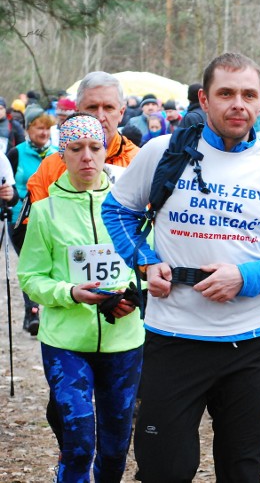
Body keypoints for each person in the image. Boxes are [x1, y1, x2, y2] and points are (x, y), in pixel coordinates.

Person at [102, 52, 260, 482]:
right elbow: (118, 210)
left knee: (241, 472)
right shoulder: (164, 152)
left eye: (248, 94)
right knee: (165, 470)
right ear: (204, 98)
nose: (237, 103)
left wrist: (246, 277)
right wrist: (144, 262)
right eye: (226, 93)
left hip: (249, 346)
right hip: (172, 339)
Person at [17, 113, 144, 482]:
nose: (87, 157)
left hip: (124, 339)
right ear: (63, 154)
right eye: (76, 149)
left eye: (94, 147)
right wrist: (70, 292)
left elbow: (150, 265)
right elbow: (31, 277)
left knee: (116, 448)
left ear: (105, 150)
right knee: (77, 444)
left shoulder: (128, 208)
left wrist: (136, 295)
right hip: (65, 343)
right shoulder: (45, 211)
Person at [27, 71, 139, 203]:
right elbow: (33, 221)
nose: (100, 117)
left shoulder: (138, 162)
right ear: (78, 111)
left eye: (109, 107)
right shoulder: (51, 167)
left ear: (121, 113)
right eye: (92, 107)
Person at [7, 113, 58, 334]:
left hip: (51, 219)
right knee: (31, 265)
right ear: (28, 129)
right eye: (39, 128)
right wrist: (12, 199)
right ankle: (32, 313)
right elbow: (6, 183)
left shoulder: (57, 154)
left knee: (52, 266)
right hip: (22, 219)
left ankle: (49, 311)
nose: (44, 133)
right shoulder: (16, 153)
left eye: (47, 129)